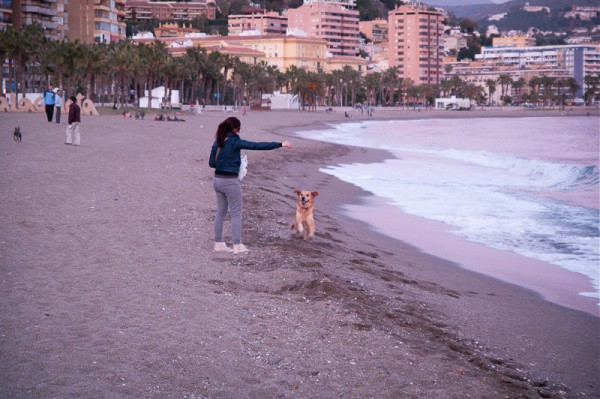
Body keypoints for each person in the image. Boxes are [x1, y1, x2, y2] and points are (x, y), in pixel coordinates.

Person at [209, 116, 292, 254]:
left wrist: (225, 161)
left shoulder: (217, 142)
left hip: (217, 180)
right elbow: (257, 146)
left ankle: (218, 244)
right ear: (235, 129)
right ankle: (237, 245)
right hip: (230, 182)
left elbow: (212, 164)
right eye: (239, 129)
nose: (239, 132)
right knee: (236, 213)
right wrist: (280, 144)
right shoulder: (235, 141)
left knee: (221, 213)